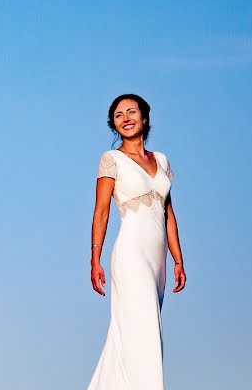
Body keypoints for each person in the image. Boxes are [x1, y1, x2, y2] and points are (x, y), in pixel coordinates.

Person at [86, 93, 186, 390]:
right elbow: (101, 212)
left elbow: (168, 212)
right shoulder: (111, 159)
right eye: (118, 115)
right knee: (141, 328)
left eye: (132, 112)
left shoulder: (162, 160)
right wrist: (95, 259)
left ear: (145, 119)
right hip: (129, 256)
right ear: (113, 125)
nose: (126, 118)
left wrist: (178, 260)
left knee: (141, 331)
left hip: (157, 263)